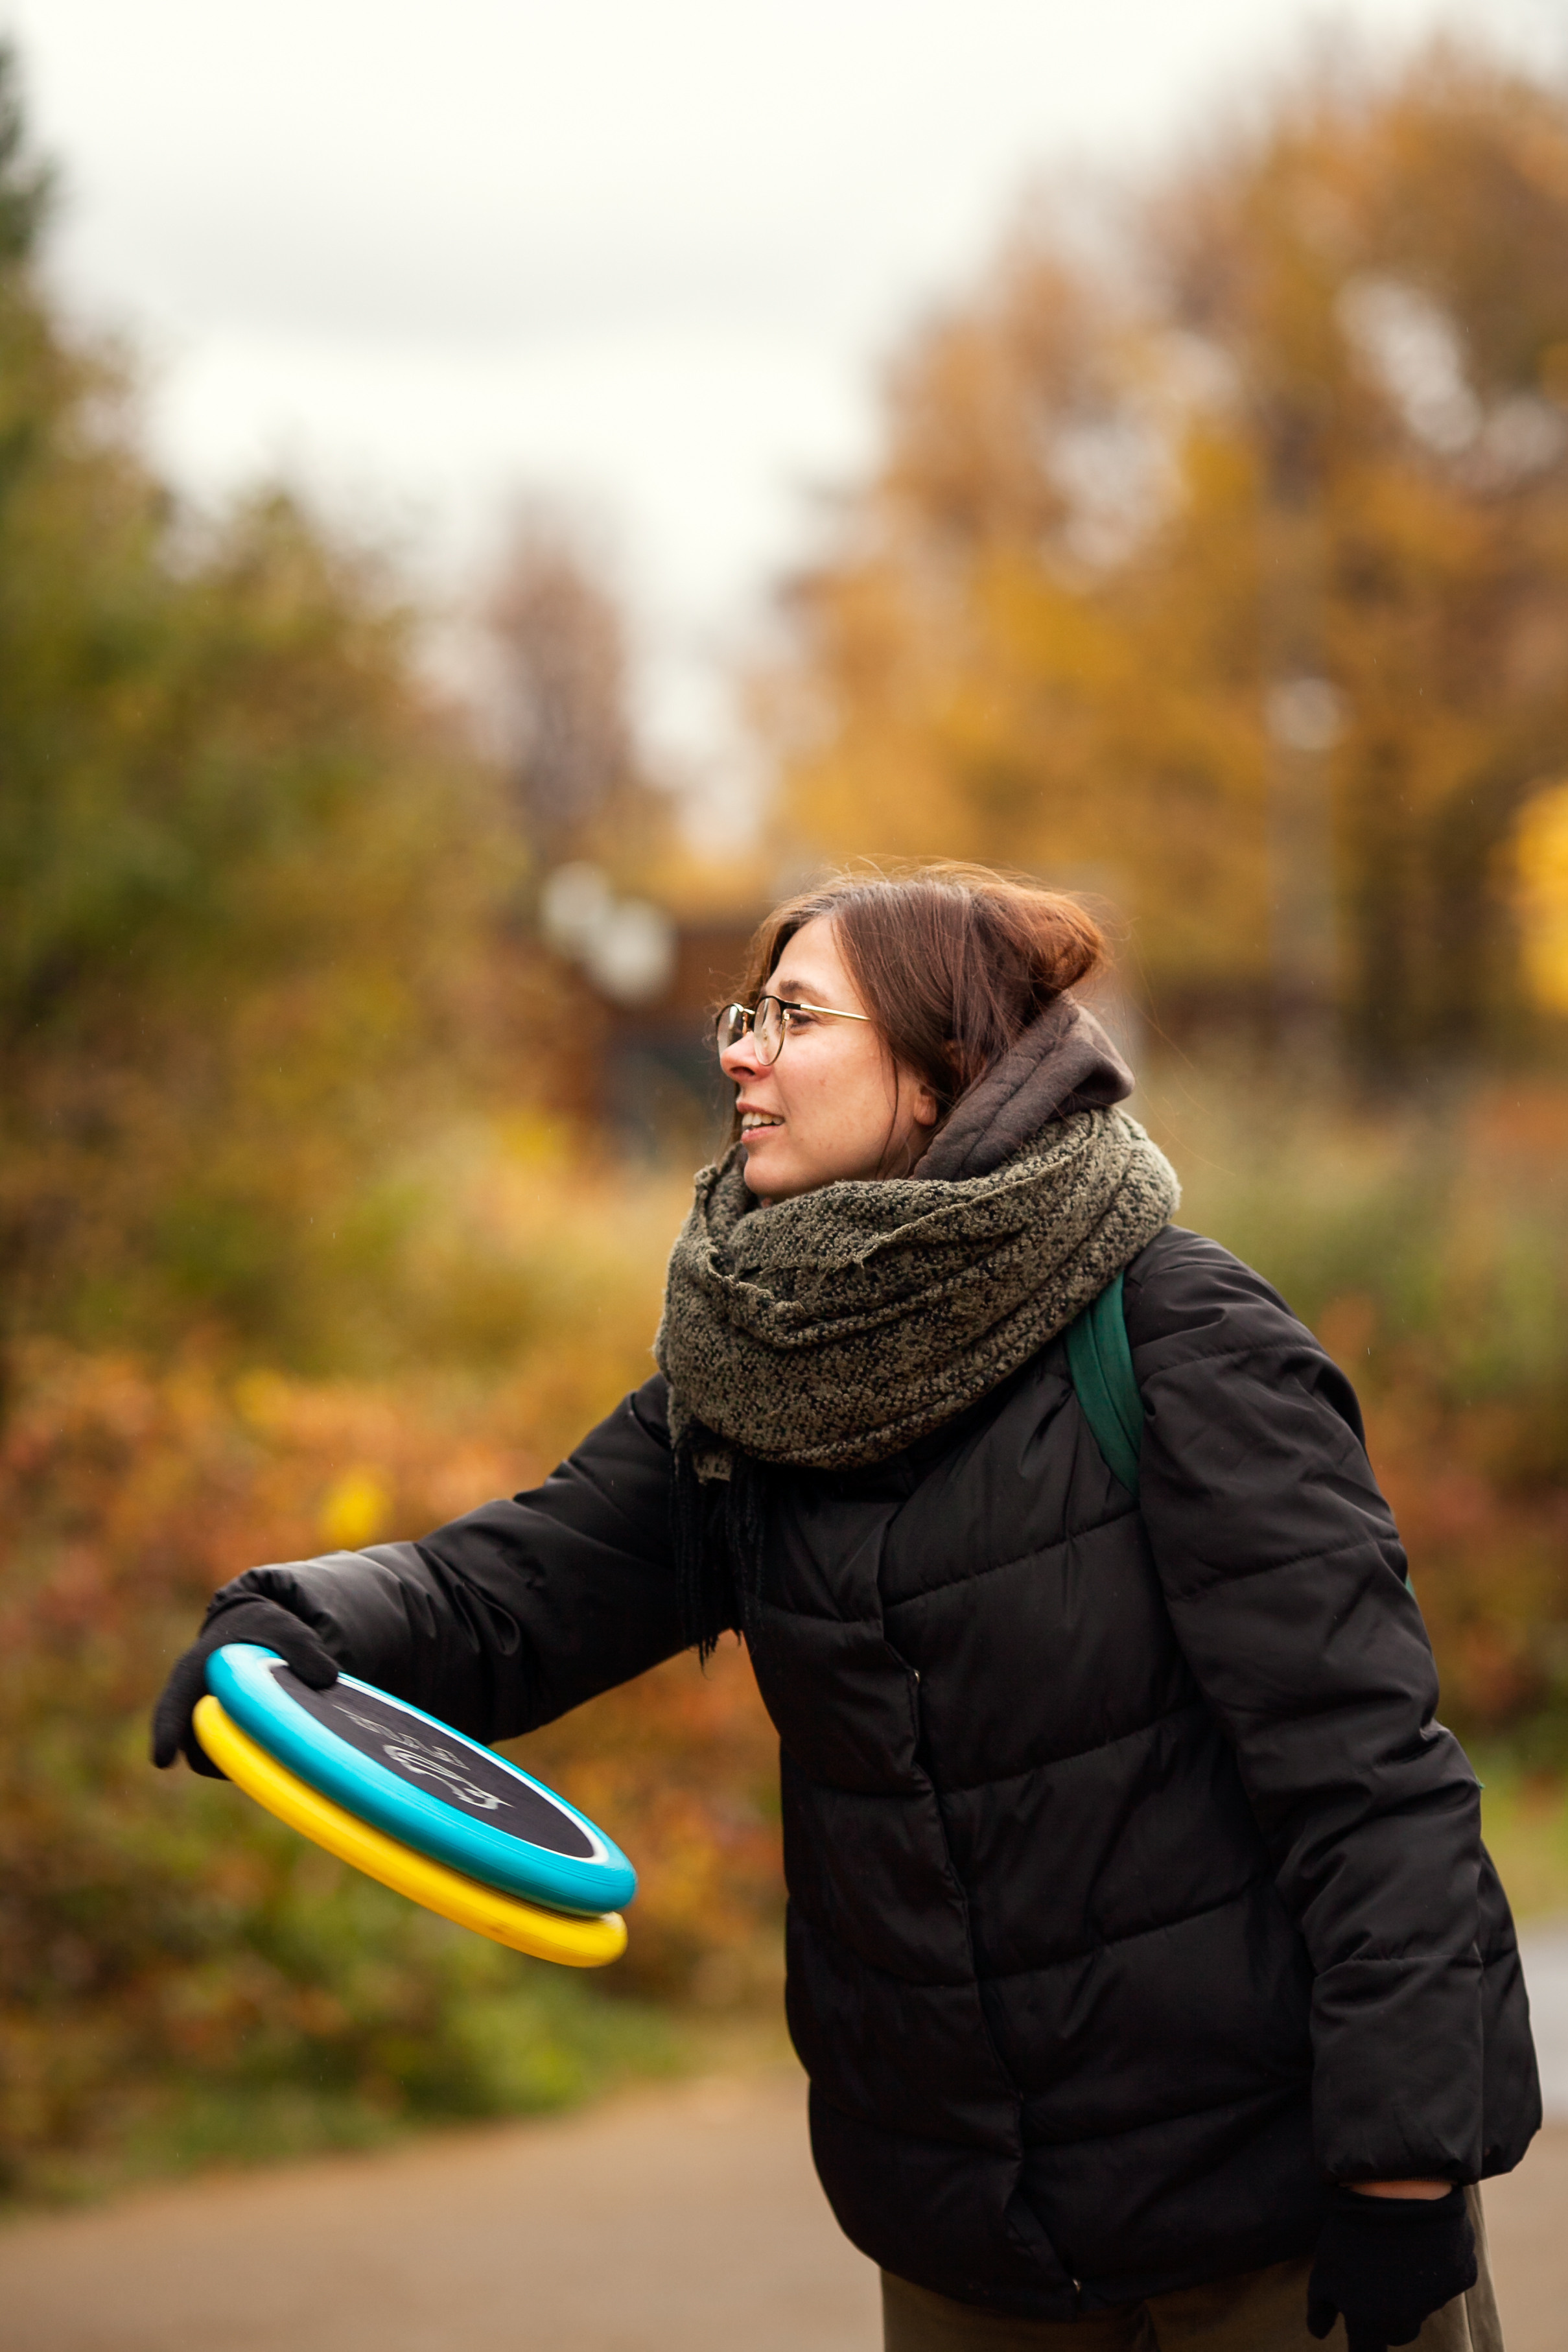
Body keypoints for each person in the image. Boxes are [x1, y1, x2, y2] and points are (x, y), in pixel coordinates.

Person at [154, 865, 1539, 2352]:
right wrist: (294, 1625)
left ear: (944, 1065)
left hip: (1274, 2225)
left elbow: (1366, 1771)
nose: (736, 1053)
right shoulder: (761, 1368)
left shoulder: (1178, 1336)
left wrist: (1402, 2164)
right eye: (742, 1015)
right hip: (966, 2251)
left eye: (793, 1017)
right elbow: (517, 1585)